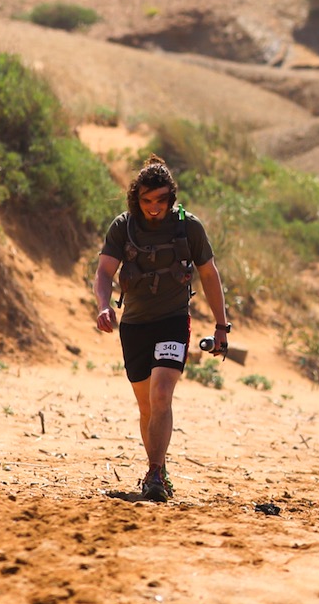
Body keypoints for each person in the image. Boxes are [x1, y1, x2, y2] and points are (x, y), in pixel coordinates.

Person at [92, 157, 230, 503]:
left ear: (172, 198)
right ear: (135, 199)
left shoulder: (189, 227)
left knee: (161, 395)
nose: (154, 207)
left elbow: (209, 274)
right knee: (146, 407)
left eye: (161, 200)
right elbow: (104, 272)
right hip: (134, 324)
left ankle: (154, 473)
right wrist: (104, 305)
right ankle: (160, 468)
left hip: (173, 321)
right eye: (147, 200)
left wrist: (221, 326)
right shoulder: (123, 227)